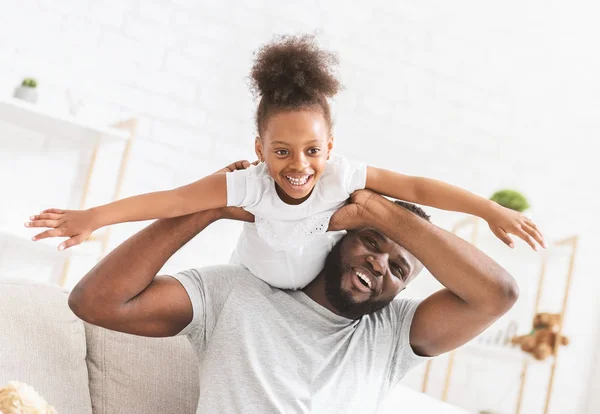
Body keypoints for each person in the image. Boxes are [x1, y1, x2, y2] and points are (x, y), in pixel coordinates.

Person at [25, 34, 544, 291]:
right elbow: (173, 200)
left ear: (330, 148)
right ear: (259, 150)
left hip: (308, 295)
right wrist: (92, 217)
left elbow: (416, 185)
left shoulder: (342, 178)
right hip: (248, 284)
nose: (299, 165)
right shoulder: (248, 187)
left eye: (312, 150)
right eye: (281, 151)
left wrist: (487, 210)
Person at [67, 162, 519, 413]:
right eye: (370, 242)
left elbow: (497, 294)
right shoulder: (235, 291)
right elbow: (96, 302)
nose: (379, 265)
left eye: (399, 269)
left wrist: (378, 213)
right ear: (337, 234)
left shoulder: (394, 333)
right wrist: (207, 208)